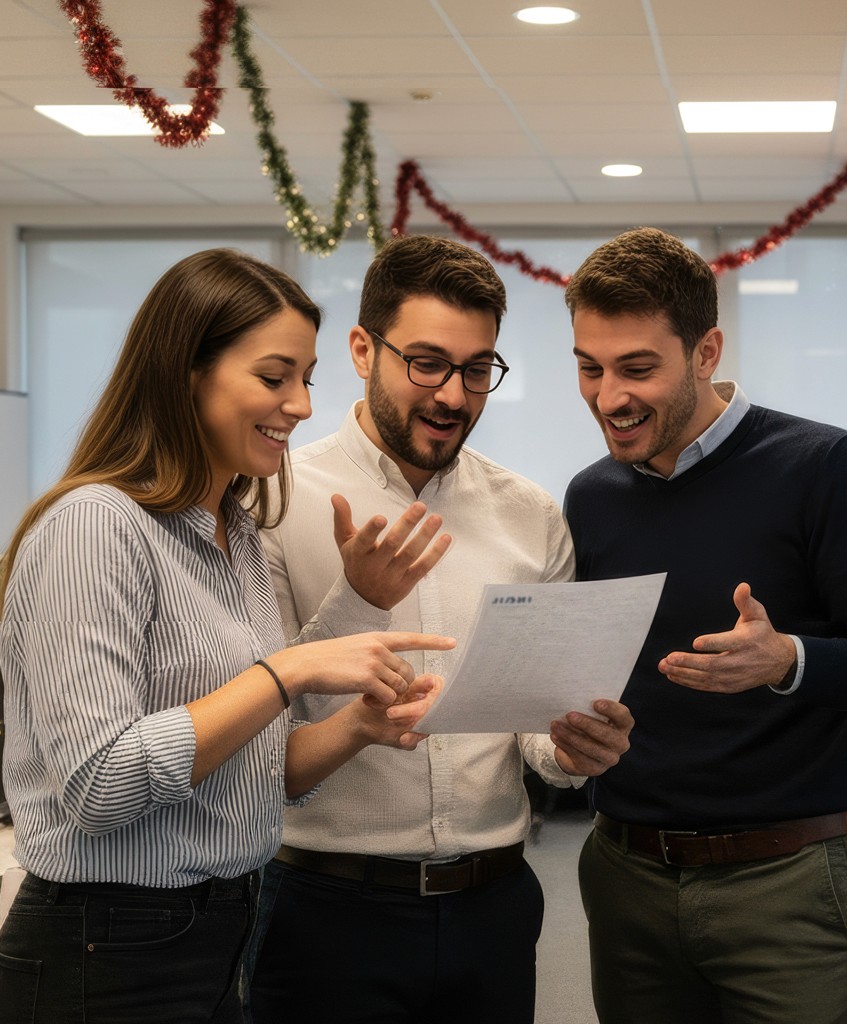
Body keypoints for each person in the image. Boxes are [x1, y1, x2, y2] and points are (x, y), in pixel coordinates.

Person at [0, 248, 454, 1024]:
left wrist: (358, 723)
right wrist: (287, 671)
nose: (301, 405)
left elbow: (257, 770)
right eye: (274, 377)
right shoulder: (95, 528)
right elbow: (99, 786)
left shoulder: (234, 532)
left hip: (220, 931)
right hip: (104, 948)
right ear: (186, 375)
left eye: (307, 379)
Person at [562, 227, 847, 1023]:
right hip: (625, 877)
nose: (608, 397)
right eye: (589, 368)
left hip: (784, 883)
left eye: (638, 368)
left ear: (706, 352)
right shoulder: (590, 496)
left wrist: (787, 661)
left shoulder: (825, 468)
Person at [250, 234, 634, 1024]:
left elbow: (534, 723)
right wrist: (356, 602)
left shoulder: (529, 515)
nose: (454, 396)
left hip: (493, 908)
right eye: (427, 364)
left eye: (477, 369)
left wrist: (568, 750)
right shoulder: (272, 498)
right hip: (325, 910)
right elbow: (258, 733)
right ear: (363, 350)